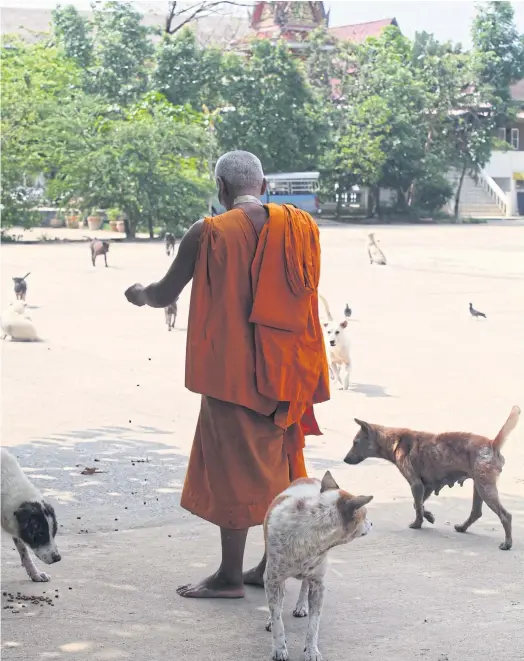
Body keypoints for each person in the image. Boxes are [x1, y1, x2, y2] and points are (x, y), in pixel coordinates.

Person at [125, 150, 329, 599]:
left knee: (234, 470)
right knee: (281, 465)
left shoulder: (209, 231)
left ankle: (230, 577)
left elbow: (164, 293)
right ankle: (269, 565)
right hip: (287, 371)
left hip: (232, 374)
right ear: (265, 183)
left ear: (220, 189)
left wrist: (139, 293)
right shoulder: (302, 227)